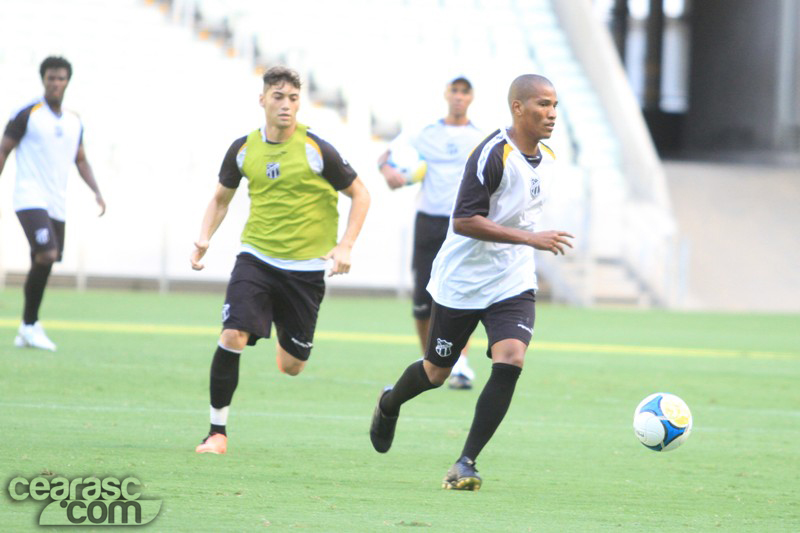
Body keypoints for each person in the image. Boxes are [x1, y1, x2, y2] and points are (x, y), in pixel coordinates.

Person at [370, 74, 574, 490]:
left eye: (555, 105)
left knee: (511, 357)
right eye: (542, 105)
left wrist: (526, 243)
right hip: (462, 280)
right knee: (435, 372)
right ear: (518, 108)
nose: (551, 114)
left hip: (512, 279)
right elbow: (463, 220)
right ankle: (389, 403)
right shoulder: (492, 154)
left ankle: (466, 461)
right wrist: (530, 238)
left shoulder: (548, 158)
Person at [191, 66, 370, 454]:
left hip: (305, 271)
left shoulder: (316, 149)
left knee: (292, 366)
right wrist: (205, 237)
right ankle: (216, 433)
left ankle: (279, 332)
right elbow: (220, 199)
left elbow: (361, 194)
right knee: (232, 334)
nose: (286, 105)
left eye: (292, 98)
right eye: (278, 97)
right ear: (262, 100)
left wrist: (346, 245)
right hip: (256, 258)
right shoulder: (243, 149)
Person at [377, 75, 484, 390]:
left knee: (460, 295)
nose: (459, 96)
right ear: (446, 94)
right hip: (428, 222)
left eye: (465, 91)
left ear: (472, 97)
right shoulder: (425, 134)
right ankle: (432, 360)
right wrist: (390, 172)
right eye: (455, 90)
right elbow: (385, 157)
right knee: (423, 300)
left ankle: (460, 363)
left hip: (462, 226)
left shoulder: (478, 138)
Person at [0, 56, 106, 351]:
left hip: (56, 203)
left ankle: (28, 326)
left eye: (60, 79)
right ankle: (30, 325)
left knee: (47, 259)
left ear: (67, 81)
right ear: (43, 80)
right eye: (51, 78)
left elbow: (80, 159)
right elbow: (4, 149)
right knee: (46, 254)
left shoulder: (74, 120)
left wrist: (96, 190)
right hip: (29, 197)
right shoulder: (27, 113)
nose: (56, 83)